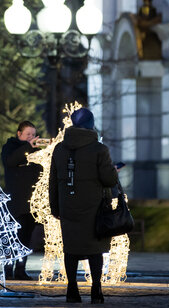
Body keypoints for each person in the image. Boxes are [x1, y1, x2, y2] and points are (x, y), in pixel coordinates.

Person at [49, 108, 118, 304]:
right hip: (94, 207)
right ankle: (96, 290)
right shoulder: (99, 149)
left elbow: (52, 181)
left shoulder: (60, 149)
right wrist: (113, 170)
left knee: (70, 249)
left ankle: (72, 290)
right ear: (91, 124)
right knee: (95, 250)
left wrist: (55, 207)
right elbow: (109, 179)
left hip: (67, 206)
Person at [1, 120, 42, 280]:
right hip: (16, 201)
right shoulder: (10, 146)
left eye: (33, 134)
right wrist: (28, 146)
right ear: (19, 134)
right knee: (13, 237)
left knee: (26, 238)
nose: (31, 137)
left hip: (31, 202)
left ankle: (20, 269)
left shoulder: (37, 150)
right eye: (28, 134)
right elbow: (10, 161)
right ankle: (7, 269)